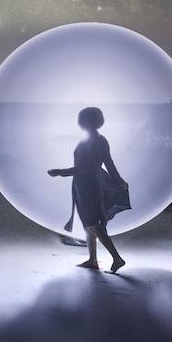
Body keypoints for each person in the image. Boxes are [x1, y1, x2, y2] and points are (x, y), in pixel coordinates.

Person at [47, 106, 129, 272]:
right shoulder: (101, 140)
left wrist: (60, 172)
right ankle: (92, 260)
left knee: (93, 223)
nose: (79, 122)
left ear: (86, 122)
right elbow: (109, 163)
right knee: (88, 223)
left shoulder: (90, 142)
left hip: (88, 185)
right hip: (90, 183)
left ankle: (117, 258)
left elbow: (85, 166)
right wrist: (119, 180)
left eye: (81, 119)